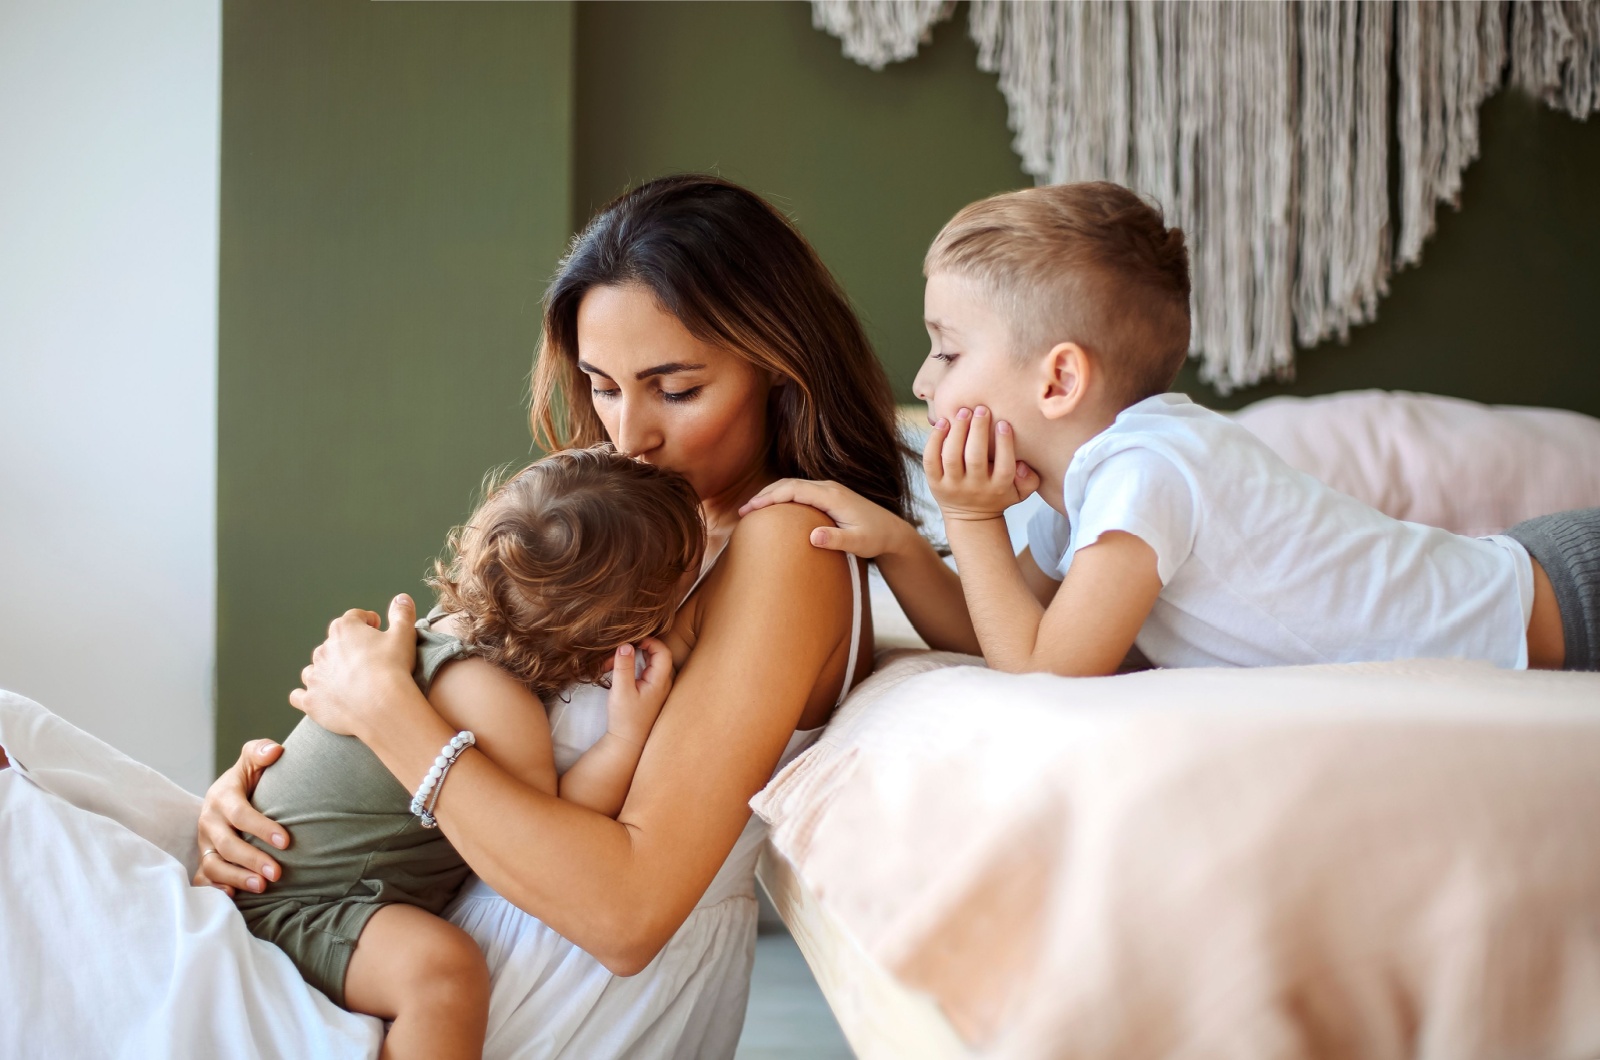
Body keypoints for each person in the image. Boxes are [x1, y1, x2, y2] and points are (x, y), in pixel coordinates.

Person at [194, 174, 911, 1058]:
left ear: (780, 363)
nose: (627, 434)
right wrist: (272, 808)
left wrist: (389, 721)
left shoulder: (787, 543)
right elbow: (443, 691)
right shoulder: (632, 524)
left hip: (563, 1009)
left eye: (676, 389)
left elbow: (629, 914)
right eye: (603, 385)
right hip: (417, 964)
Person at [743, 181, 1597, 676]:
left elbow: (1048, 673)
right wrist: (897, 543)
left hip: (1567, 597)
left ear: (1060, 377)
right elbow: (1002, 628)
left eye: (948, 351)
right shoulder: (1075, 491)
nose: (924, 381)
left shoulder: (1149, 471)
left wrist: (967, 519)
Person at [232, 448, 702, 1059]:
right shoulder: (497, 701)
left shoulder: (434, 635)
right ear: (617, 636)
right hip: (301, 909)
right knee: (446, 973)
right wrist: (624, 738)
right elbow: (549, 832)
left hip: (274, 882)